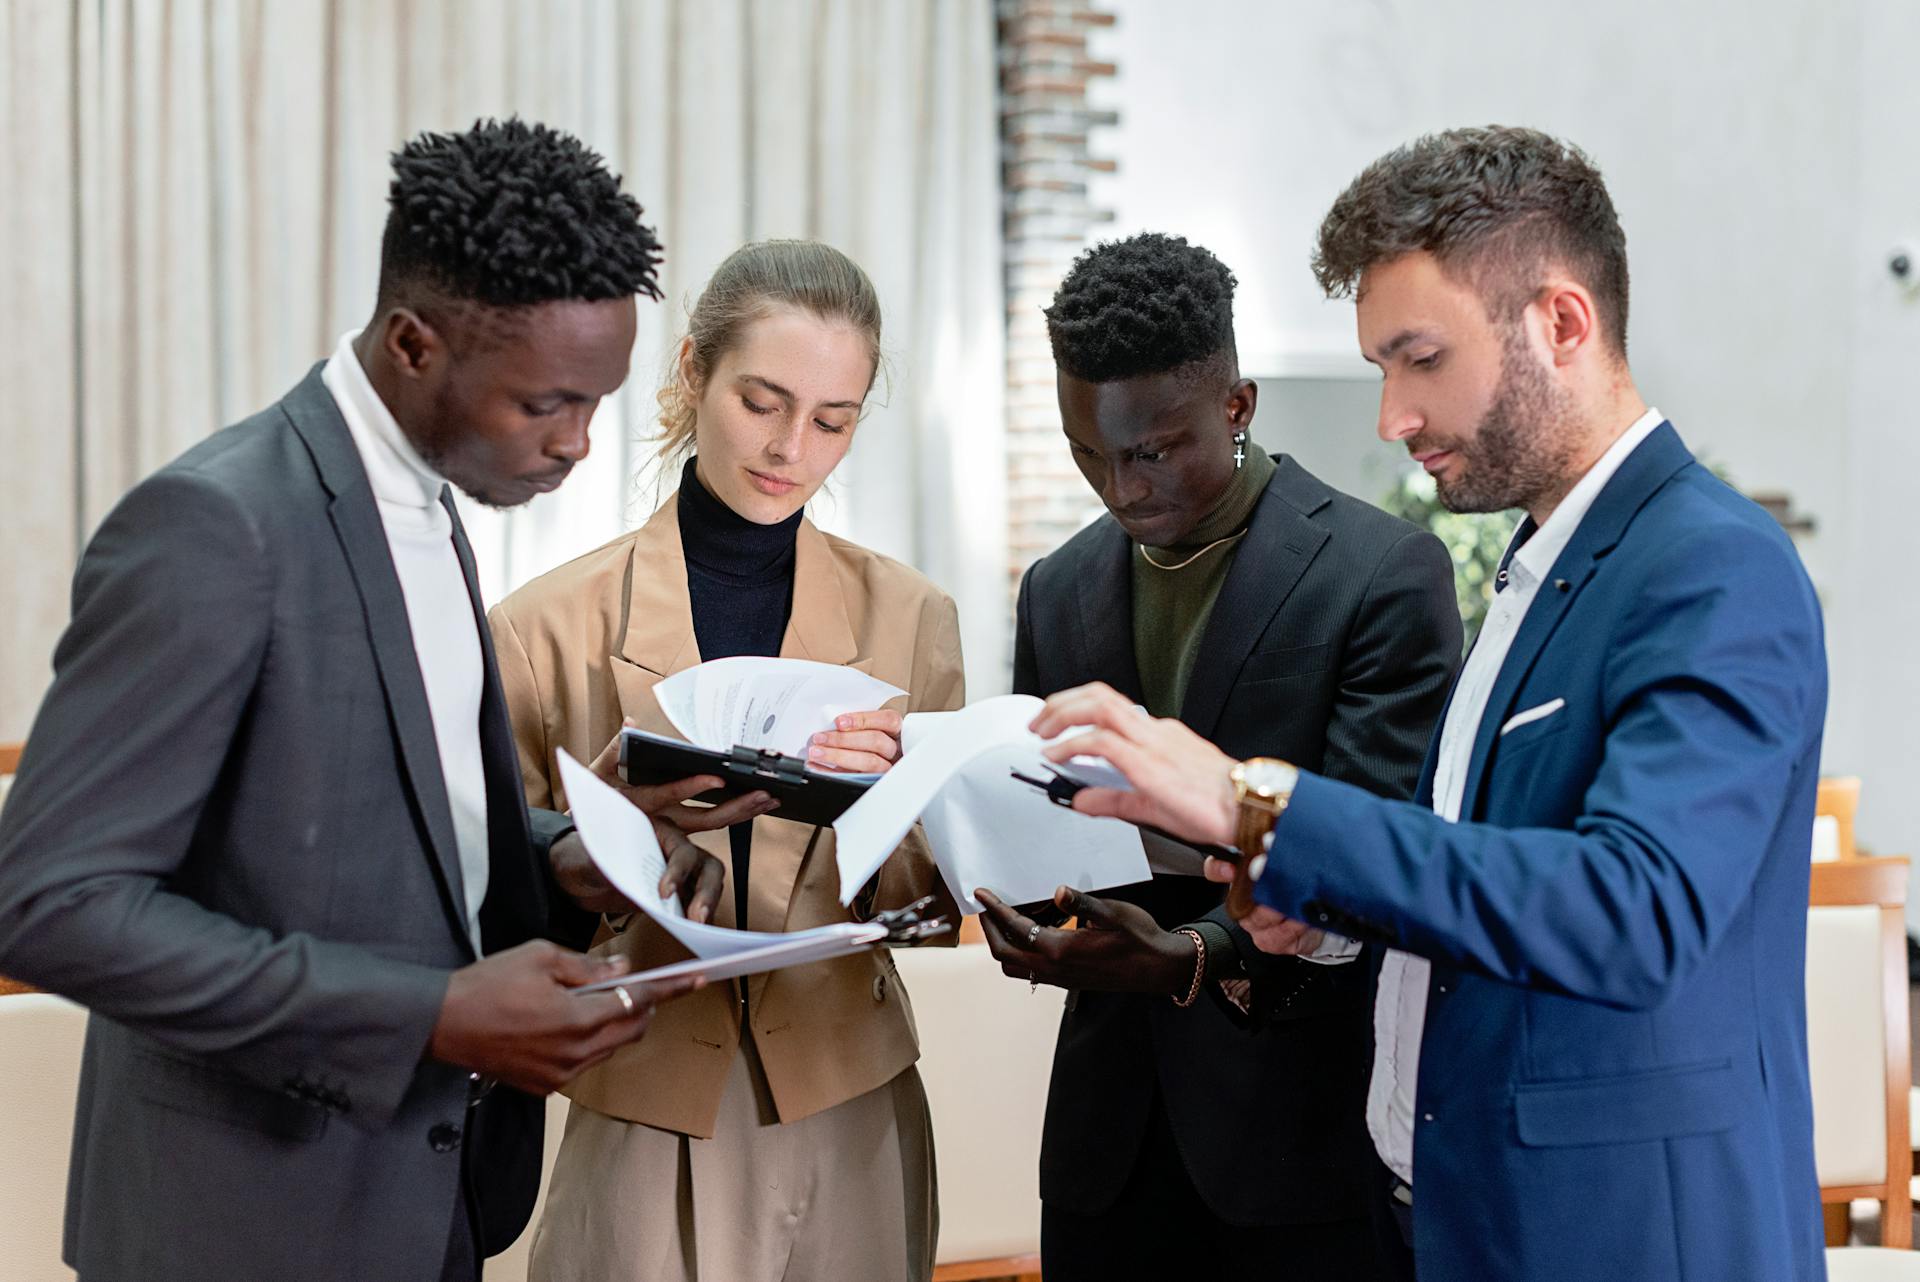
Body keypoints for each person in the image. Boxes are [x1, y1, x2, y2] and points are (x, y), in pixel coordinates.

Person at [1030, 127, 1828, 1282]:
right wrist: (1329, 910)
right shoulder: (1533, 559)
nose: (1392, 418)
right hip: (1459, 1210)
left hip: (1623, 1230)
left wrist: (1253, 803)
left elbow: (1635, 907)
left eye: (1419, 359)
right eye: (1383, 370)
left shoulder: (1711, 565)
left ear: (1561, 322)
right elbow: (1476, 863)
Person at [0, 119, 720, 1282]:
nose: (580, 443)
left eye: (597, 402)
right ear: (412, 343)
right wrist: (425, 1013)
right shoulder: (215, 526)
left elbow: (398, 823)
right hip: (240, 1228)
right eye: (546, 403)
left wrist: (562, 856)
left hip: (428, 1204)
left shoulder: (439, 507)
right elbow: (50, 902)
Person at [973, 232, 1460, 1280]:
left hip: (1300, 1136)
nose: (1122, 484)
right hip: (1107, 1146)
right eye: (1088, 453)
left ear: (1235, 407)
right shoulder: (1056, 590)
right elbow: (1048, 823)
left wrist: (1191, 957)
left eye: (1152, 449)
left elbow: (1375, 851)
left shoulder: (1381, 574)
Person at [488, 239, 965, 1282]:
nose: (793, 445)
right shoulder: (540, 630)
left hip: (852, 1098)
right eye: (763, 400)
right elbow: (494, 903)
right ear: (692, 374)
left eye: (833, 420)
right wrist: (611, 834)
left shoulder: (911, 617)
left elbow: (936, 902)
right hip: (638, 1096)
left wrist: (879, 814)